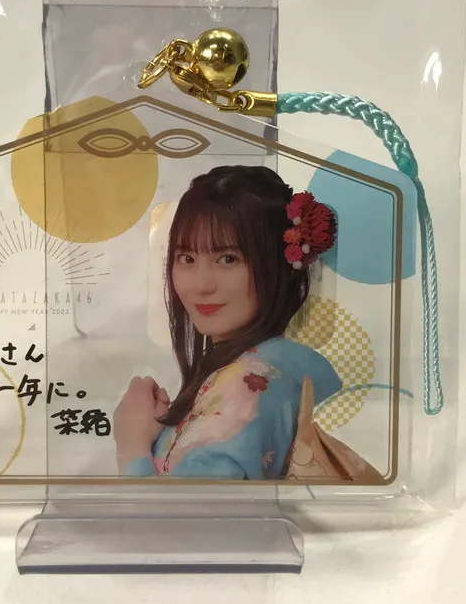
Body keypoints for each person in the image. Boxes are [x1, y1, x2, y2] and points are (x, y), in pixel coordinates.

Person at [114, 164, 343, 480]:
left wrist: (131, 446)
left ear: (280, 266)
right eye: (187, 258)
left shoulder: (245, 387)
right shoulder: (262, 372)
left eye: (228, 259)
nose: (202, 285)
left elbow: (189, 512)